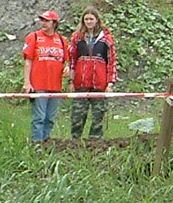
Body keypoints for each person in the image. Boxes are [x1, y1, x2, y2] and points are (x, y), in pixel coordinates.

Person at [68, 7, 117, 139]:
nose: (89, 22)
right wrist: (71, 81)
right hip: (81, 82)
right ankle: (75, 141)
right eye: (86, 19)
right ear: (83, 21)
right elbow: (72, 60)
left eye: (91, 19)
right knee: (77, 116)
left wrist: (110, 84)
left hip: (100, 84)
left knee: (98, 117)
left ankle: (95, 144)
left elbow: (112, 62)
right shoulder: (77, 38)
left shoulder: (106, 39)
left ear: (97, 20)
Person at [22, 10, 69, 143]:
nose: (44, 23)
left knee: (50, 118)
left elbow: (67, 60)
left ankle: (46, 142)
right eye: (42, 20)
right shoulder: (34, 37)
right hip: (39, 84)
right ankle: (37, 144)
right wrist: (27, 82)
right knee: (39, 117)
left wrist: (67, 68)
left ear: (54, 23)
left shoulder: (61, 40)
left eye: (47, 21)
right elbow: (28, 60)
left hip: (55, 86)